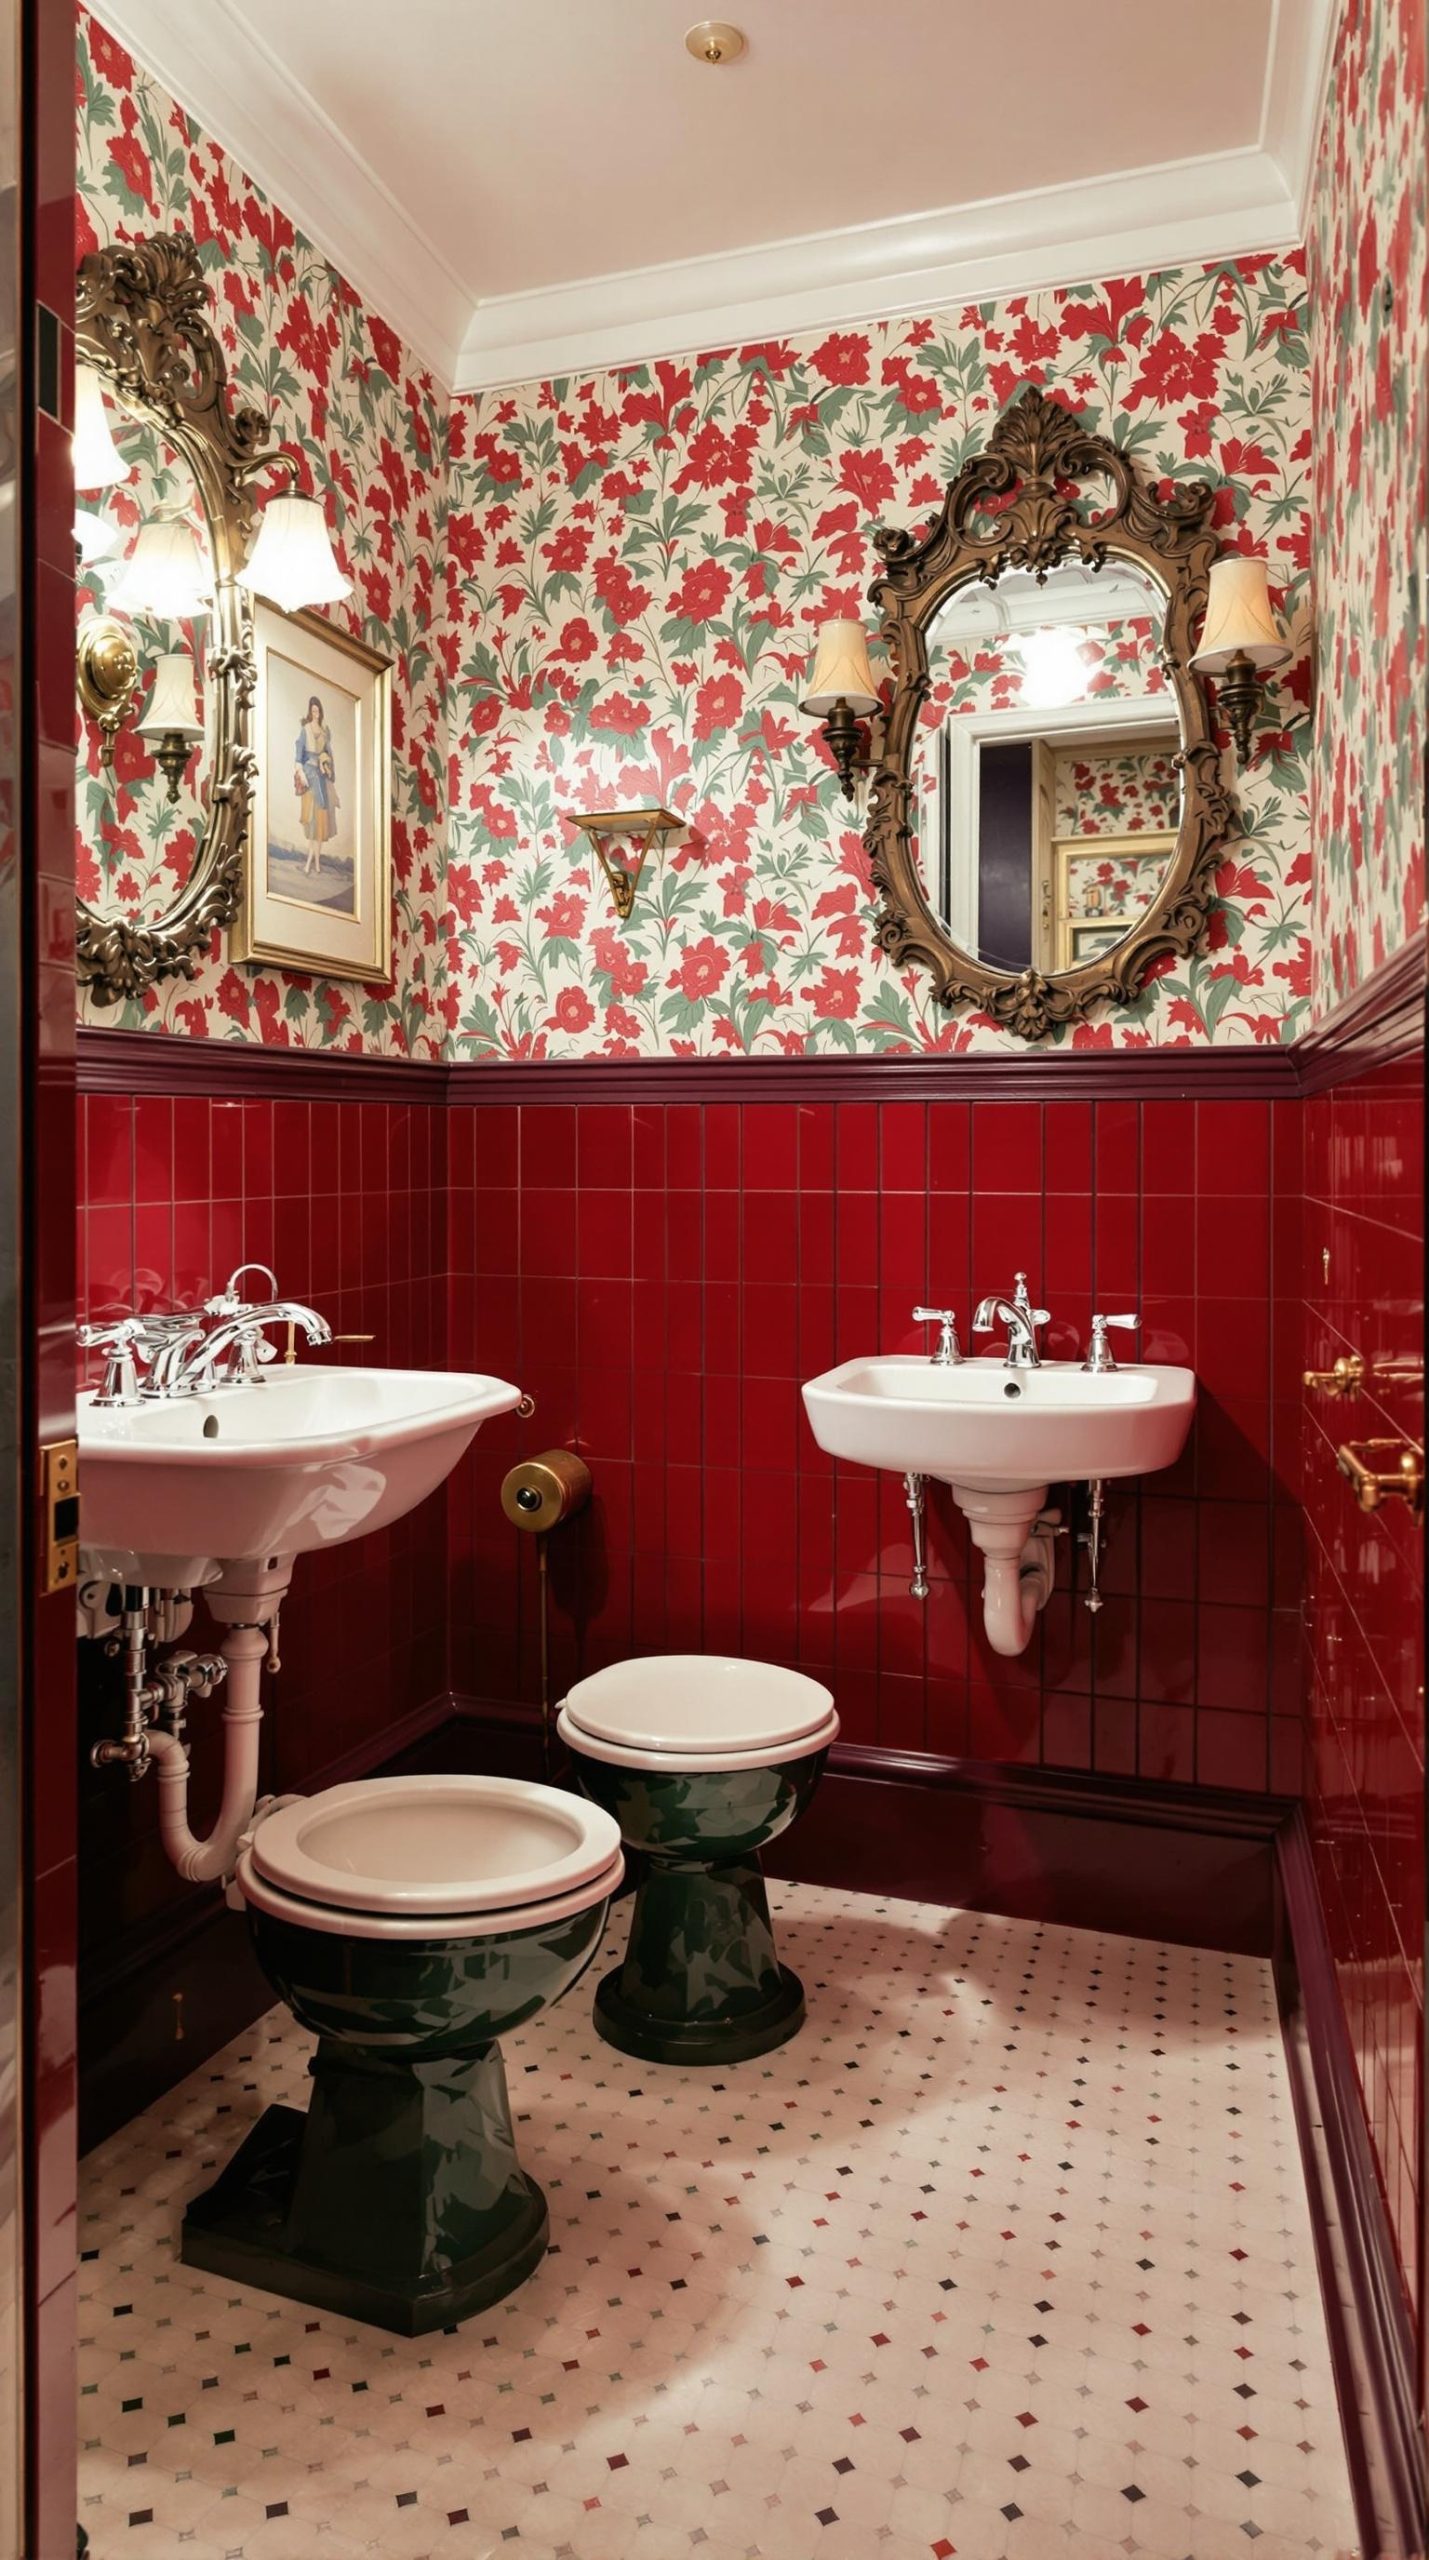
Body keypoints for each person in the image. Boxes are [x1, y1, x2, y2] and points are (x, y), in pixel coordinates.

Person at [293, 694, 338, 875]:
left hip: (321, 777)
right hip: (308, 777)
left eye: (317, 711)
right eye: (313, 711)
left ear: (320, 712)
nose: (315, 714)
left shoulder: (325, 733)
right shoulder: (305, 730)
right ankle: (310, 863)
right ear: (310, 712)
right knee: (311, 821)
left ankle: (315, 862)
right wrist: (301, 773)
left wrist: (326, 765)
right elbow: (298, 756)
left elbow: (328, 756)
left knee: (320, 820)